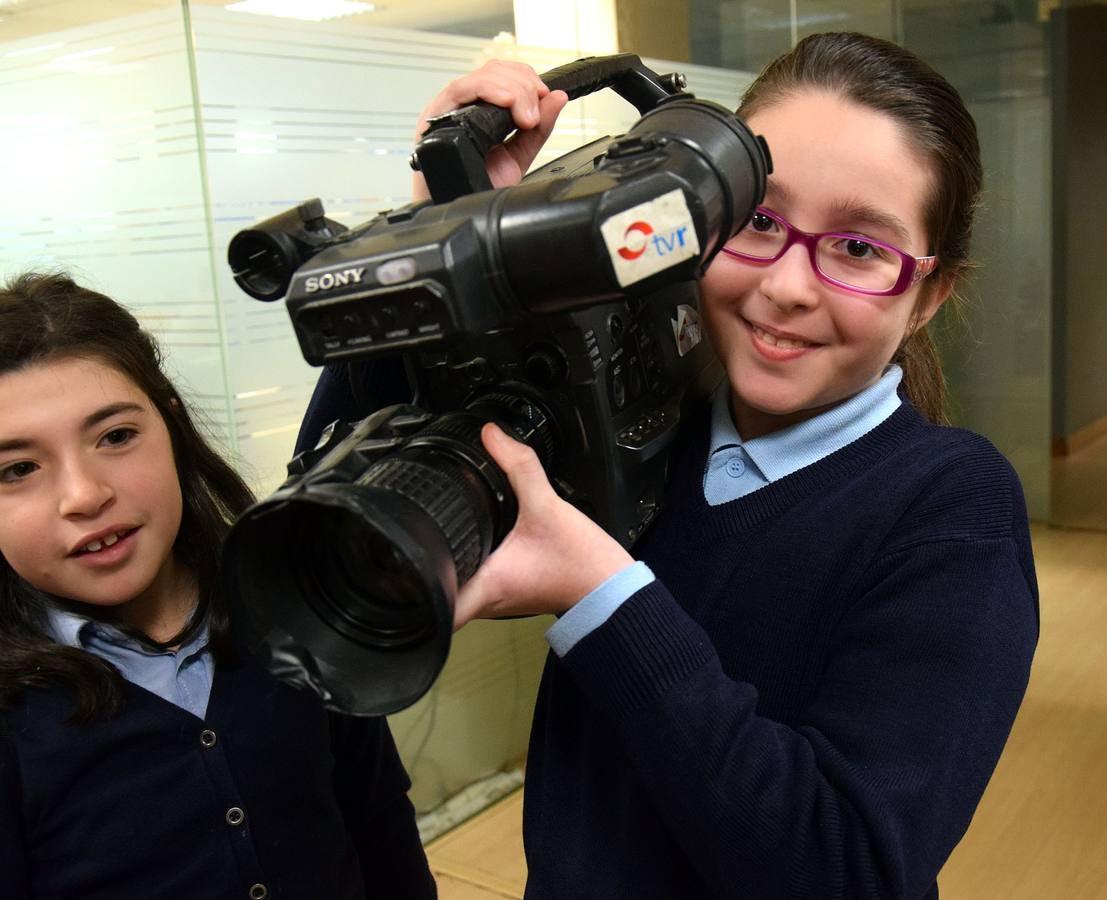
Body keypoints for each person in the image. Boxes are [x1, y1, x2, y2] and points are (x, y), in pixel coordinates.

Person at [302, 32, 1039, 899]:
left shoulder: (951, 505)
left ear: (927, 296)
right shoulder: (639, 408)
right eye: (759, 221)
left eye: (859, 249)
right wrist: (446, 242)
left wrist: (601, 598)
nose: (789, 286)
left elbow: (849, 866)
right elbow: (351, 503)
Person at [0, 272, 437, 899]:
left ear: (171, 427)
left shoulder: (293, 605)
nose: (85, 495)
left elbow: (379, 826)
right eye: (18, 469)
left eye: (116, 436)